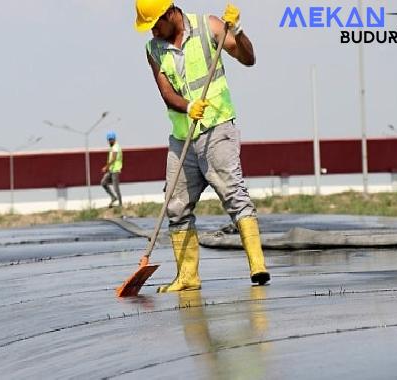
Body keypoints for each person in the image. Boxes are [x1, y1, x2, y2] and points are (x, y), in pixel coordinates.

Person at [134, 0, 270, 292]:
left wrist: (239, 31)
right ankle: (187, 276)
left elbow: (248, 59)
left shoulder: (209, 26)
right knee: (175, 206)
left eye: (156, 23)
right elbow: (167, 94)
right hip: (183, 136)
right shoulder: (153, 49)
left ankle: (257, 265)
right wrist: (188, 105)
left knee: (233, 194)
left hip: (218, 129)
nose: (153, 31)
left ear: (170, 13)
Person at [100, 131, 123, 208]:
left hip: (115, 170)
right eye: (108, 140)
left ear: (114, 139)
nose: (109, 141)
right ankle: (113, 197)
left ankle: (120, 204)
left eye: (110, 140)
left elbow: (113, 159)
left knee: (116, 187)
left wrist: (105, 167)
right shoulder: (112, 147)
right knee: (103, 183)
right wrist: (108, 168)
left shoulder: (116, 147)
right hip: (111, 170)